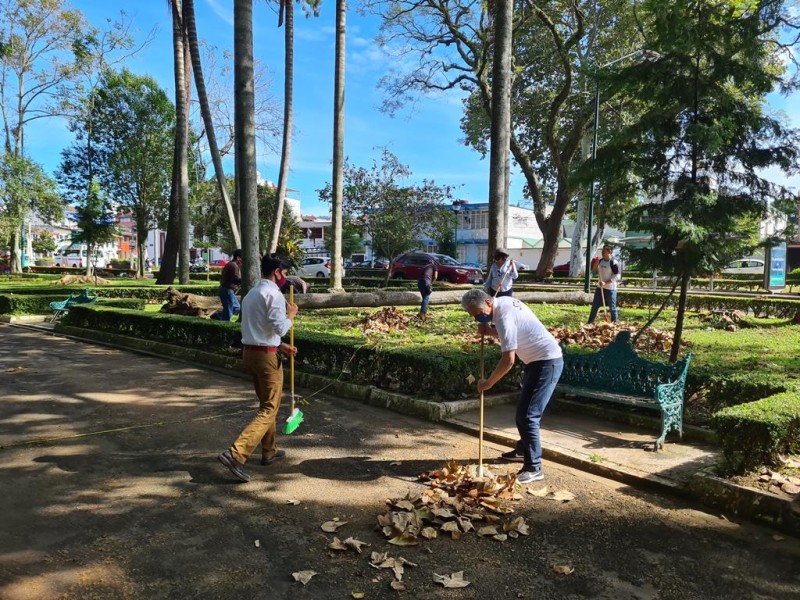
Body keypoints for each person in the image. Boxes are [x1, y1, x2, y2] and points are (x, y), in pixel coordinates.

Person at [461, 289, 563, 484]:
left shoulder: (503, 318)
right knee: (524, 414)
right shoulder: (504, 302)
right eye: (474, 316)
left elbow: (508, 360)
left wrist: (488, 383)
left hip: (546, 363)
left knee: (528, 416)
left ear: (489, 303)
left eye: (479, 314)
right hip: (536, 362)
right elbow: (514, 333)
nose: (478, 319)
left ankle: (534, 467)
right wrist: (490, 331)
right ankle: (522, 450)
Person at [218, 254, 299, 483]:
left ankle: (269, 451)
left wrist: (280, 346)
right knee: (269, 409)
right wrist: (290, 316)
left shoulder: (251, 293)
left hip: (251, 353)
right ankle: (236, 454)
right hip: (265, 359)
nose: (285, 278)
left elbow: (259, 329)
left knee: (267, 405)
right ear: (277, 272)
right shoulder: (273, 294)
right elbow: (280, 327)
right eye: (284, 273)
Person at [587, 245, 621, 324]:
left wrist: (606, 282)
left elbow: (617, 276)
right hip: (600, 288)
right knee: (595, 306)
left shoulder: (614, 262)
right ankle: (590, 323)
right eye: (602, 251)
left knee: (612, 308)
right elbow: (593, 271)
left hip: (611, 288)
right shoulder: (600, 261)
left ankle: (615, 323)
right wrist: (595, 263)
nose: (602, 253)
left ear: (609, 252)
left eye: (604, 251)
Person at [216, 250, 243, 321]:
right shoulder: (233, 266)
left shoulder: (231, 264)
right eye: (242, 258)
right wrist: (245, 280)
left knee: (236, 307)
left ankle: (218, 316)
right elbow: (235, 280)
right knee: (229, 313)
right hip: (227, 290)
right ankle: (225, 324)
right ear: (238, 258)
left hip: (227, 290)